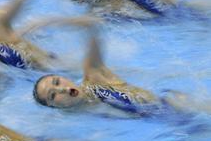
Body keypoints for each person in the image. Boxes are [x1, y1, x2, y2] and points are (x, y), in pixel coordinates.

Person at [33, 33, 170, 115]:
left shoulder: (95, 79)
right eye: (53, 94)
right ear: (53, 107)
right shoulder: (74, 116)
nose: (61, 89)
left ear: (64, 77)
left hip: (170, 105)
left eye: (57, 82)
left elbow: (94, 38)